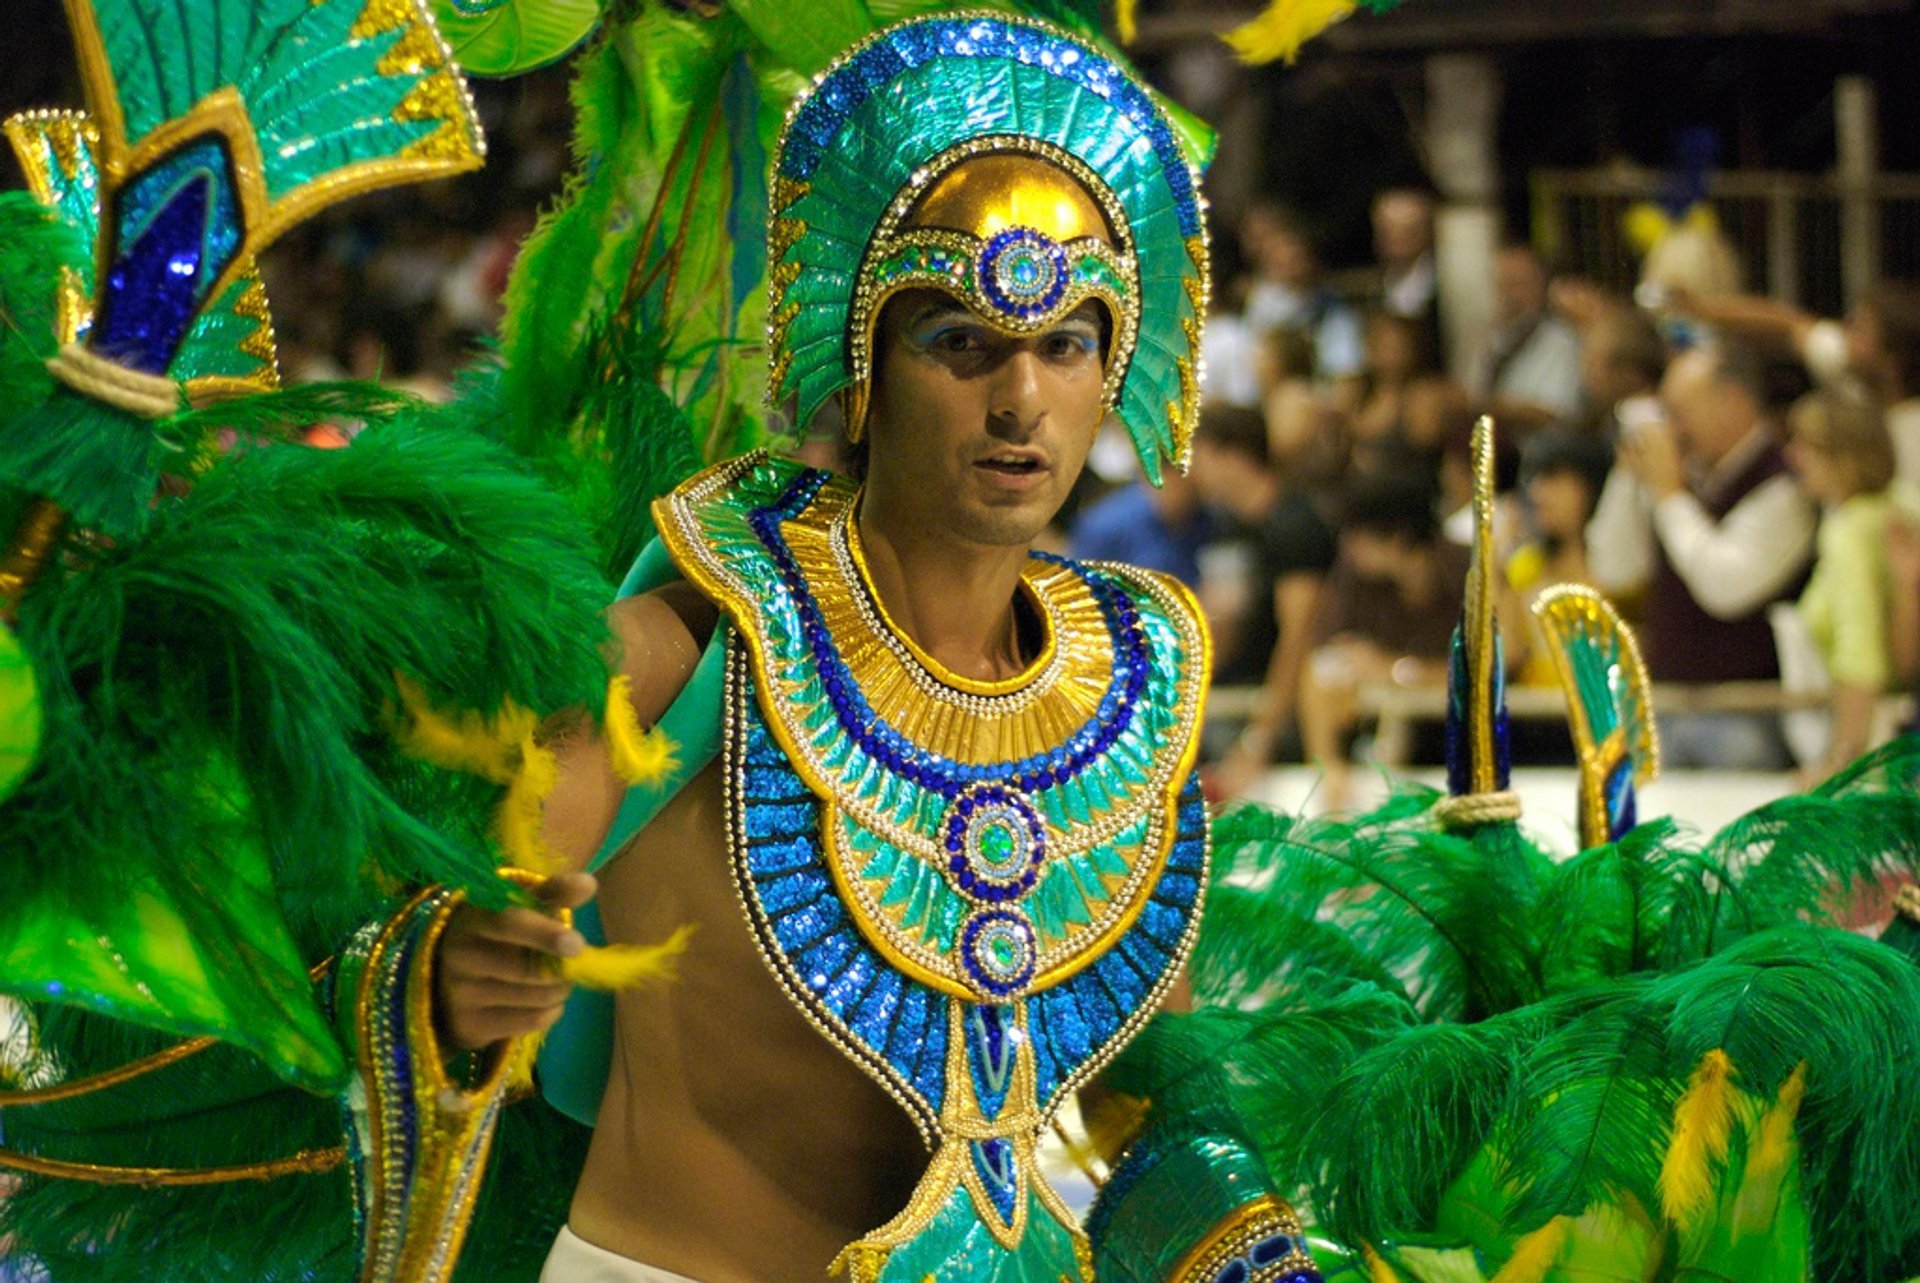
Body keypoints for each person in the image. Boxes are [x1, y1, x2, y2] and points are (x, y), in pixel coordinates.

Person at [434, 16, 1216, 1282]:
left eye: (1065, 345)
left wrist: (1244, 1224)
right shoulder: (692, 646)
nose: (1021, 400)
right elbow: (423, 919)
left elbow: (1146, 1083)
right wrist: (443, 974)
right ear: (863, 366)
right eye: (961, 342)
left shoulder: (1129, 686)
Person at [1587, 342, 1817, 768]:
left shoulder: (1784, 485)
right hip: (1665, 708)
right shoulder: (1677, 475)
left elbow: (1725, 588)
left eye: (1679, 412)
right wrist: (1630, 473)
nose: (1672, 429)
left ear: (1733, 402)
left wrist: (1669, 496)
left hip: (1749, 714)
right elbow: (1613, 568)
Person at [1186, 404, 1339, 794]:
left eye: (1198, 455)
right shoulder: (1225, 528)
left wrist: (1260, 738)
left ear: (1234, 455)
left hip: (1288, 710)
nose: (1192, 470)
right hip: (1237, 696)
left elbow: (1300, 635)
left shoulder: (1294, 525)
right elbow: (1224, 623)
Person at [1297, 471, 1470, 807]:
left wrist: (1393, 669)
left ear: (1397, 539)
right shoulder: (1353, 579)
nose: (1349, 548)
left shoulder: (1469, 571)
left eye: (1357, 537)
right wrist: (1328, 767)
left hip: (1465, 744)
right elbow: (1323, 665)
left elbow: (1491, 670)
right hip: (1384, 739)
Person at [1781, 390, 1901, 782]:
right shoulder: (1903, 507)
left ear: (1843, 456)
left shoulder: (1849, 530)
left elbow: (1860, 655)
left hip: (1885, 748)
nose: (1793, 456)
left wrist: (1839, 767)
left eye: (1806, 445)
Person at [1504, 429, 1615, 686]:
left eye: (1554, 479)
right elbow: (1507, 658)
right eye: (1536, 480)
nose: (1539, 494)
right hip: (1534, 719)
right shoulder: (1522, 568)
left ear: (1589, 489)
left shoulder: (1615, 570)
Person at [1240, 202, 1365, 399]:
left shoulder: (1335, 313)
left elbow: (1347, 380)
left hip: (1311, 400)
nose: (1285, 265)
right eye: (1277, 257)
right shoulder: (1259, 299)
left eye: (1294, 258)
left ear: (1312, 260)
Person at [1469, 242, 1584, 429]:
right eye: (1502, 284)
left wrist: (1483, 406)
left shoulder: (1561, 342)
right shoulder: (1492, 340)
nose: (1508, 295)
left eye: (1517, 284)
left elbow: (1555, 417)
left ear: (1542, 286)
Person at [1370, 186, 1442, 362]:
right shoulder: (1377, 285)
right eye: (1389, 231)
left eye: (1408, 231)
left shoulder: (1442, 286)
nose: (1397, 239)